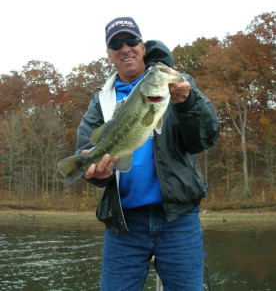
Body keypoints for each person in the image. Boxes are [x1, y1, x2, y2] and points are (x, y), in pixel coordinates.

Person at [76, 16, 220, 291]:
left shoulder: (177, 85)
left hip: (178, 220)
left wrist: (188, 102)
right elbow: (88, 163)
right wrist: (97, 174)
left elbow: (205, 137)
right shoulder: (100, 101)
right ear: (109, 55)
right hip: (124, 225)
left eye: (131, 40)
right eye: (116, 44)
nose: (125, 47)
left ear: (143, 47)